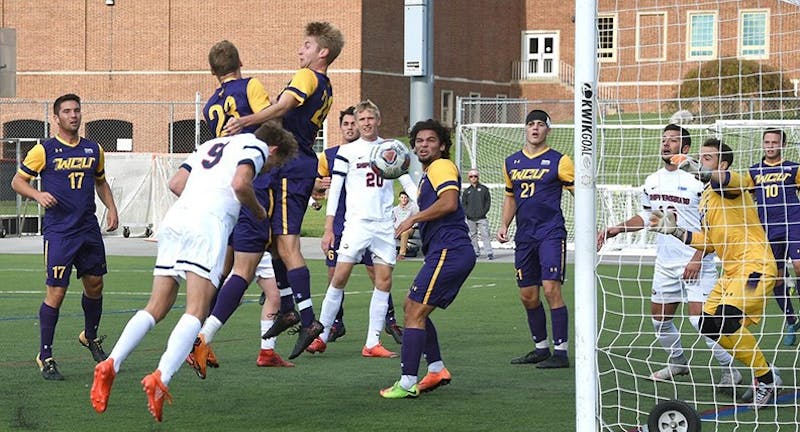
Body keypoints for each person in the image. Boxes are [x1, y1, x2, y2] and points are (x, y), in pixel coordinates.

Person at [89, 123, 297, 422]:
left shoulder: (211, 144)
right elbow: (241, 184)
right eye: (274, 164)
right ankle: (161, 377)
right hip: (207, 225)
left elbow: (175, 183)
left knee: (156, 306)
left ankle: (111, 362)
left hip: (176, 219)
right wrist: (258, 210)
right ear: (274, 149)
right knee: (196, 310)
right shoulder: (257, 147)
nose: (269, 168)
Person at [223, 22, 345, 357]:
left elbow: (283, 107)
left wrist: (247, 121)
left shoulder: (307, 76)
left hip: (293, 165)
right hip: (293, 164)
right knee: (277, 244)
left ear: (322, 52)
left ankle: (308, 320)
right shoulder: (327, 85)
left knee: (288, 245)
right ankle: (290, 307)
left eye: (306, 45)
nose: (300, 51)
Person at [597, 124, 741, 390]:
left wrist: (697, 258)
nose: (666, 144)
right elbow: (649, 216)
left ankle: (730, 369)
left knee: (701, 321)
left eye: (672, 141)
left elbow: (712, 225)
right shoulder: (653, 180)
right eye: (664, 140)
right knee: (660, 320)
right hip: (665, 263)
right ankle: (678, 362)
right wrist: (616, 228)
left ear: (684, 149)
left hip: (697, 261)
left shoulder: (699, 181)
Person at [185, 40, 293, 378]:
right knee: (243, 271)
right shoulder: (252, 86)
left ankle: (207, 337)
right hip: (250, 182)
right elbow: (269, 126)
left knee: (224, 270)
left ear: (212, 72)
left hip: (220, 189)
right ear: (240, 62)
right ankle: (201, 338)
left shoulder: (210, 107)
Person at [652, 138, 780, 408]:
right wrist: (673, 230)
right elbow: (709, 242)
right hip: (731, 273)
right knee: (709, 325)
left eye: (707, 158)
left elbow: (724, 178)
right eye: (700, 156)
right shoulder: (707, 198)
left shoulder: (732, 186)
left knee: (726, 318)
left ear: (722, 163)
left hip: (755, 269)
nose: (701, 161)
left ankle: (766, 378)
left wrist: (693, 166)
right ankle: (766, 372)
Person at [11, 93, 119, 381]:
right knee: (56, 294)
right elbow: (17, 181)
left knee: (95, 285)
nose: (73, 115)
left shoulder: (94, 149)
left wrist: (111, 207)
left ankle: (90, 336)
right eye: (67, 111)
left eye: (77, 111)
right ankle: (45, 355)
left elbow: (101, 181)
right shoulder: (43, 150)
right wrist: (37, 194)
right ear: (56, 118)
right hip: (60, 232)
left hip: (88, 229)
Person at [307, 100, 417, 358]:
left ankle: (372, 342)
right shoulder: (347, 151)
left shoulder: (390, 148)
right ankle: (320, 335)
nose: (366, 123)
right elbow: (334, 190)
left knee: (384, 281)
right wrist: (328, 227)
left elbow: (406, 182)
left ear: (378, 120)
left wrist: (422, 205)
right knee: (339, 277)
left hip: (382, 225)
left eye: (370, 118)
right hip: (356, 224)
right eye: (362, 119)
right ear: (356, 123)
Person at [379, 119, 476, 398]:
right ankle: (436, 369)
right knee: (412, 306)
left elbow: (449, 203)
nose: (424, 145)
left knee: (415, 312)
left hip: (451, 250)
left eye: (431, 140)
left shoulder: (442, 166)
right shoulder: (427, 174)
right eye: (419, 141)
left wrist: (413, 218)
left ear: (442, 145)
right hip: (443, 251)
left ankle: (408, 382)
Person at [497, 109, 572, 369]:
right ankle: (541, 348)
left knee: (551, 289)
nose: (536, 128)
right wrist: (504, 224)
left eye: (541, 124)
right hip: (525, 236)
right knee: (528, 296)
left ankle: (561, 352)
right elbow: (510, 196)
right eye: (531, 124)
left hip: (551, 233)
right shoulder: (511, 162)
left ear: (548, 130)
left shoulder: (560, 161)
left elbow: (579, 193)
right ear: (526, 129)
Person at [746, 128, 800, 346]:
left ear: (782, 145)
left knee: (798, 266)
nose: (770, 146)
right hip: (768, 229)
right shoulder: (753, 171)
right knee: (776, 277)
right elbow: (748, 199)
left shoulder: (793, 168)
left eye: (774, 142)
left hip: (794, 223)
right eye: (767, 142)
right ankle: (790, 320)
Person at [462, 168, 494, 260]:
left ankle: (489, 253)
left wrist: (483, 212)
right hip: (470, 218)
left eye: (475, 176)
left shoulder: (484, 189)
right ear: (469, 178)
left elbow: (488, 202)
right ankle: (476, 252)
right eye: (471, 176)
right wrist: (467, 213)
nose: (473, 178)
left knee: (485, 235)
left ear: (478, 177)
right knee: (473, 235)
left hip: (481, 218)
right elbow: (463, 204)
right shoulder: (466, 191)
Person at [393, 190, 419, 260]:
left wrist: (412, 226)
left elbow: (417, 218)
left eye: (405, 197)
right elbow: (392, 220)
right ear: (399, 198)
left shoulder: (413, 208)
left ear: (408, 198)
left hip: (409, 229)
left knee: (404, 233)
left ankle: (401, 254)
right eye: (402, 197)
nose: (403, 199)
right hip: (397, 229)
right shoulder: (395, 209)